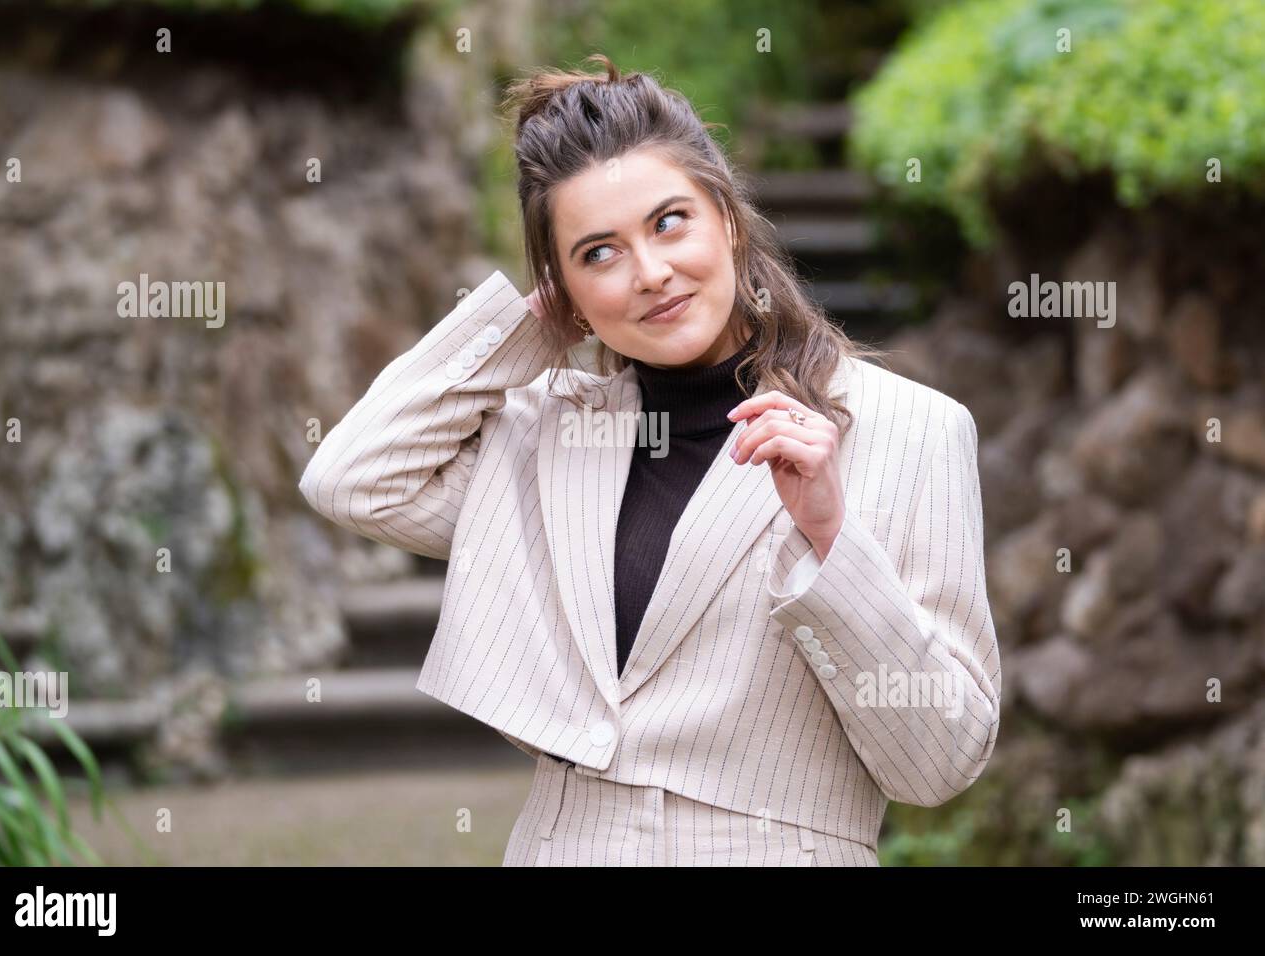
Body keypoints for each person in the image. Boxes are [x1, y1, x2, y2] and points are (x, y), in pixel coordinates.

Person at [298, 54, 1001, 866]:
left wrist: (832, 538)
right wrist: (531, 331)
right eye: (598, 253)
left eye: (670, 222)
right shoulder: (547, 435)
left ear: (727, 218)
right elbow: (351, 477)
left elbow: (942, 760)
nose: (651, 274)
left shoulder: (912, 431)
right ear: (563, 288)